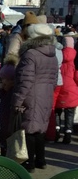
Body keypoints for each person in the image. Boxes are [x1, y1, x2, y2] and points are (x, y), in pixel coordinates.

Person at [11, 19, 58, 171]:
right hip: (46, 95)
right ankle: (41, 160)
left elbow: (25, 80)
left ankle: (29, 163)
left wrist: (17, 101)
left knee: (29, 129)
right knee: (40, 129)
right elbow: (54, 79)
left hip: (32, 95)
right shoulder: (53, 54)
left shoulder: (30, 54)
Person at [55, 35, 78, 143]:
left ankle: (56, 130)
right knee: (70, 112)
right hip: (71, 89)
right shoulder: (75, 58)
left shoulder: (58, 55)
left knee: (57, 111)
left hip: (59, 86)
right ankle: (68, 132)